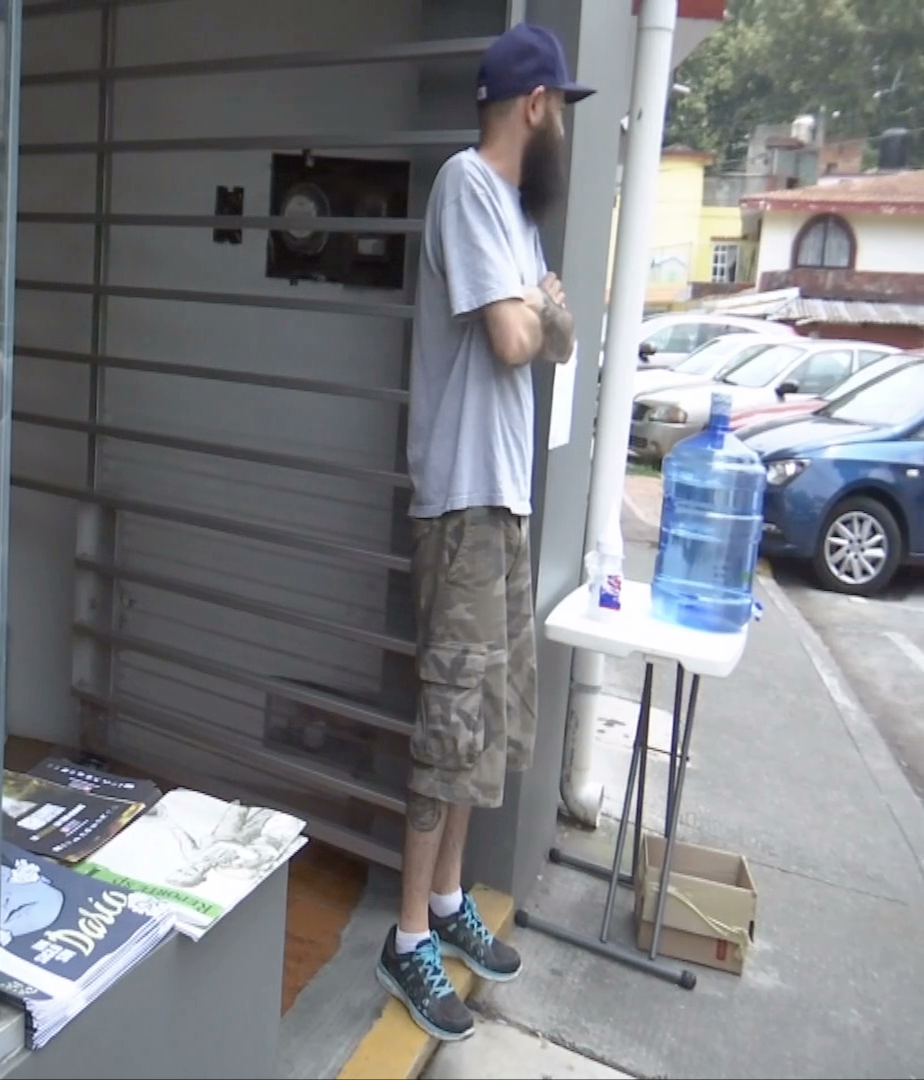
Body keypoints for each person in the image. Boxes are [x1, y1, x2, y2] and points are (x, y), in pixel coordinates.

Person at [376, 23, 592, 1042]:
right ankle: (408, 933)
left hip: (504, 502)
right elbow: (522, 336)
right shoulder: (468, 186)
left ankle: (453, 898)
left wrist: (546, 318)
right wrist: (540, 319)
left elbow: (562, 330)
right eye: (565, 112)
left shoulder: (519, 216)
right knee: (449, 722)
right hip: (461, 501)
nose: (565, 133)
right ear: (536, 105)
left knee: (487, 721)